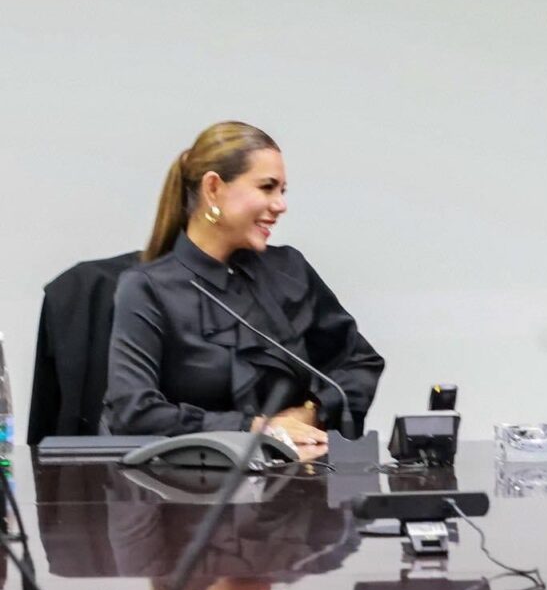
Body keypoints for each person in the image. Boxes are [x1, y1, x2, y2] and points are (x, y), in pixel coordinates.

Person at [103, 121, 384, 443]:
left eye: (282, 191)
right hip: (188, 473)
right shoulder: (146, 288)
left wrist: (311, 412)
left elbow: (359, 363)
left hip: (299, 470)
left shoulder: (289, 270)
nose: (280, 205)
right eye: (267, 187)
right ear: (213, 188)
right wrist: (257, 428)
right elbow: (134, 412)